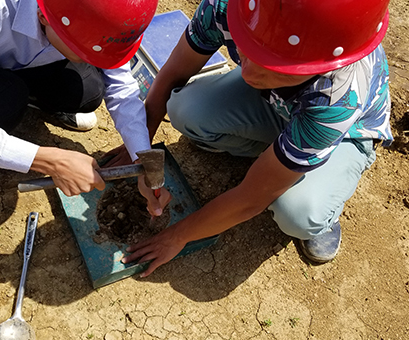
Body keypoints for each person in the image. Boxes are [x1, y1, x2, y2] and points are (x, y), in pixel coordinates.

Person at [122, 0, 393, 275]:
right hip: (279, 103)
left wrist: (177, 236)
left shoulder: (338, 97)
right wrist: (139, 145)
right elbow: (173, 74)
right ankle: (284, 157)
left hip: (347, 133)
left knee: (297, 212)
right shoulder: (235, 7)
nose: (248, 72)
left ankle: (319, 209)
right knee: (185, 110)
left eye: (276, 67)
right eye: (247, 49)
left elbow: (252, 199)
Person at [0, 0, 157, 205]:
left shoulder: (89, 11)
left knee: (88, 89)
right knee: (7, 98)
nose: (90, 59)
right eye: (82, 50)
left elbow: (122, 89)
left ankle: (29, 101)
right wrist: (50, 160)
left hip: (26, 57)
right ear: (45, 16)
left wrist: (143, 159)